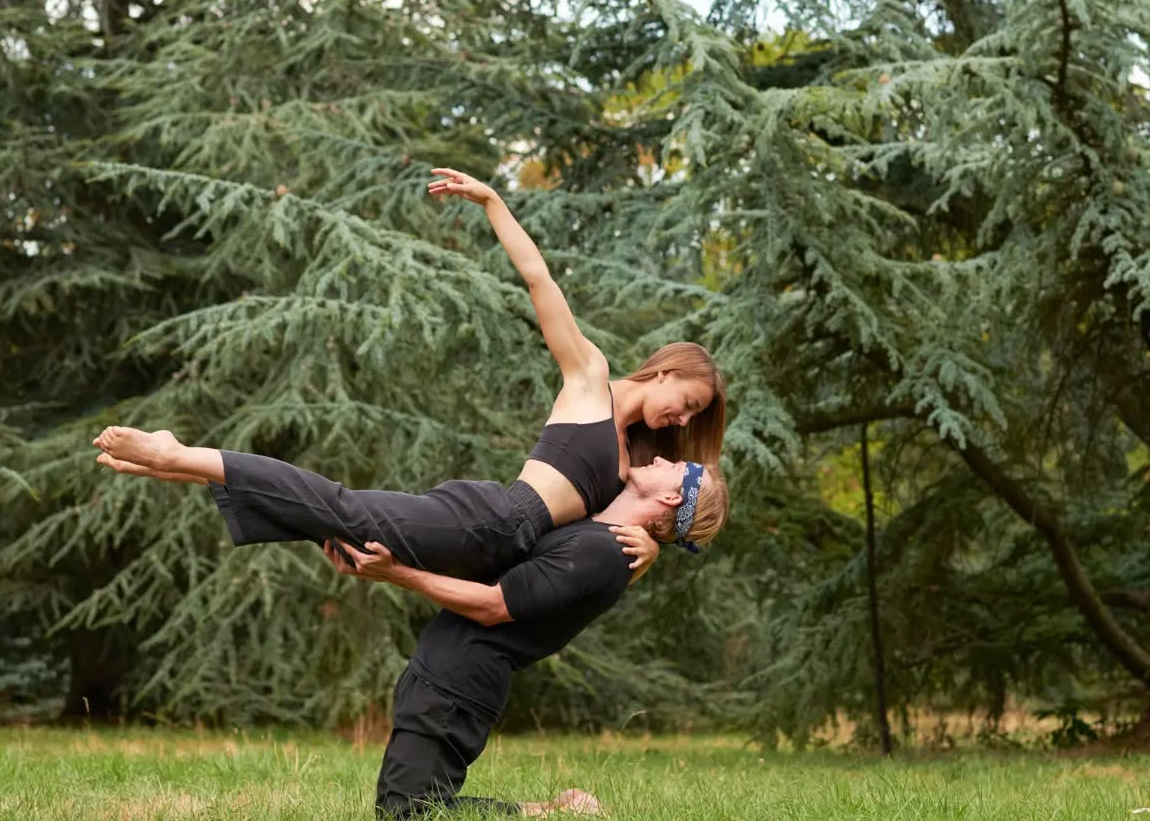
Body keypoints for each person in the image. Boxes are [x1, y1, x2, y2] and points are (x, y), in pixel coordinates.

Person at [92, 167, 727, 576]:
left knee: (342, 518)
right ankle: (178, 455)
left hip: (499, 549)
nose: (683, 418)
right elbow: (540, 280)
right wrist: (493, 201)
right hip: (492, 522)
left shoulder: (632, 470)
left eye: (694, 416)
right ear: (666, 370)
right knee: (339, 505)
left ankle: (177, 464)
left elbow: (603, 549)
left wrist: (647, 554)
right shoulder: (589, 374)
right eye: (688, 400)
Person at [319, 458, 726, 821]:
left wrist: (394, 573)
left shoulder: (602, 552)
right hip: (447, 670)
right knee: (405, 807)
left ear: (673, 497)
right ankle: (552, 812)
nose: (658, 457)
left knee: (405, 814)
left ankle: (557, 814)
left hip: (456, 683)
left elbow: (493, 606)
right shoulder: (593, 531)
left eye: (674, 465)